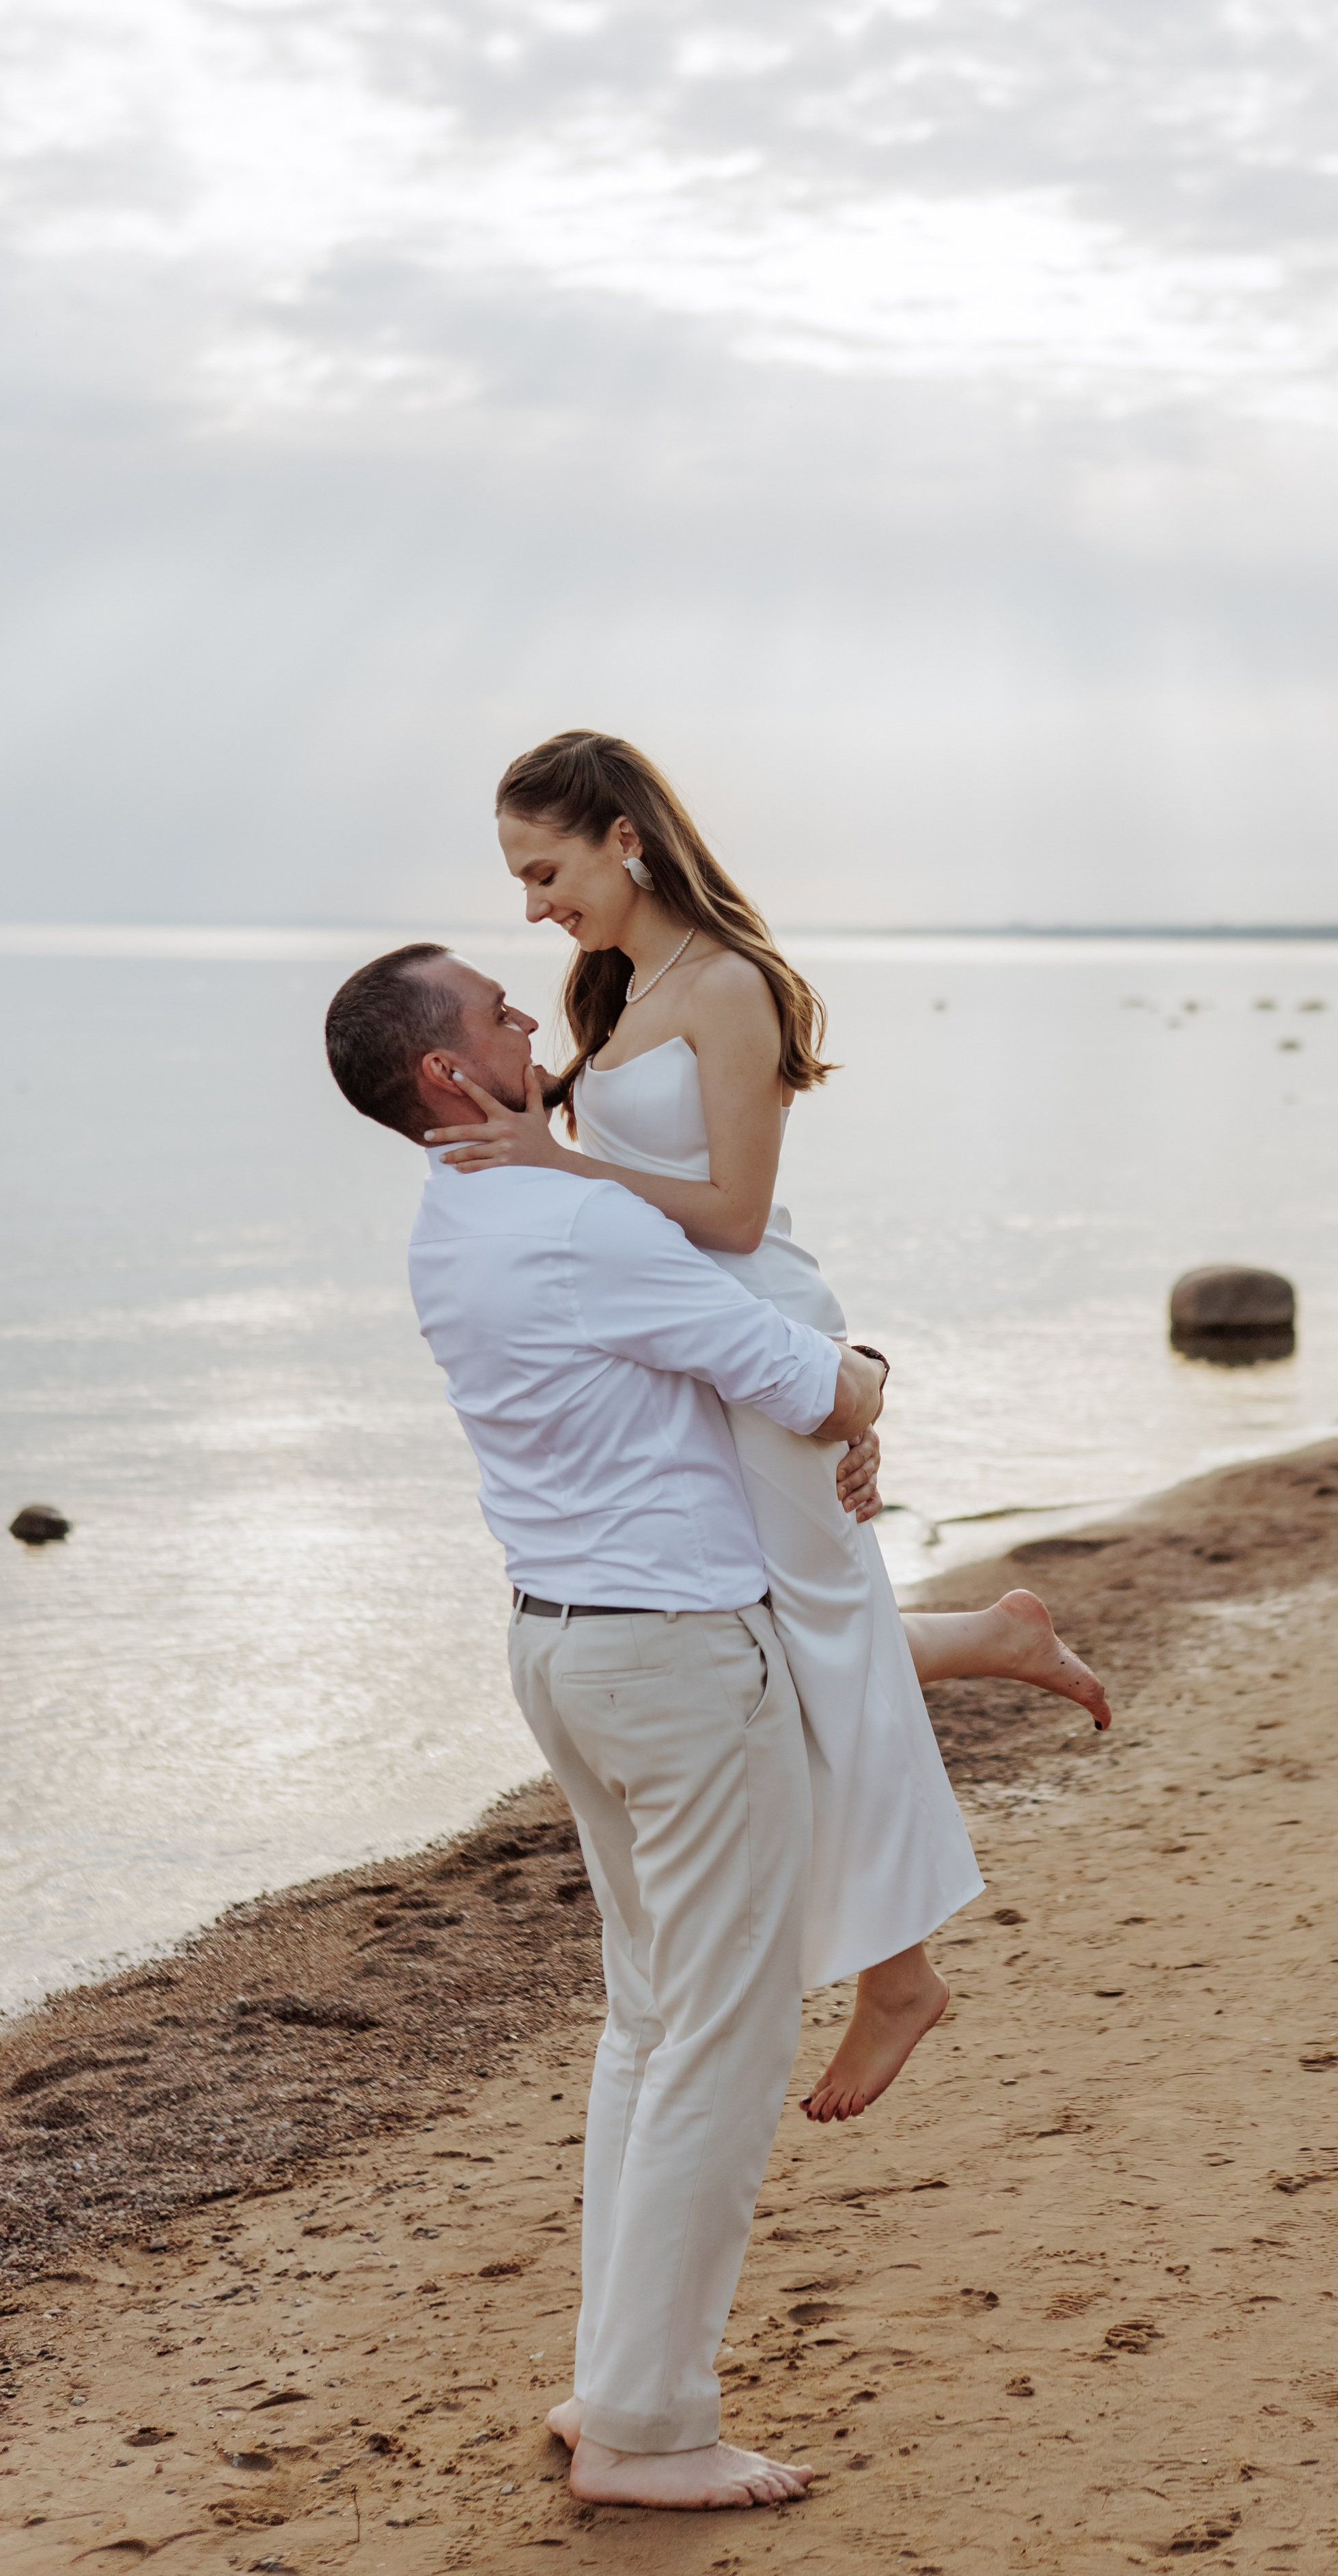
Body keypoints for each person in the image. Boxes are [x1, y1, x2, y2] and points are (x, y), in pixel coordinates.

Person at [424, 728, 1109, 2123]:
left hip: (758, 1331)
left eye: (541, 866)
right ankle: (987, 1641)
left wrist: (565, 1161)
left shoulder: (729, 985)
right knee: (790, 1627)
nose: (532, 902)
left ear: (622, 833)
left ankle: (900, 1973)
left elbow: (735, 1216)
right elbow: (583, 1196)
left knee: (817, 1632)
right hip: (702, 1351)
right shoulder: (608, 989)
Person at [324, 939, 883, 2509]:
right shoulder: (574, 1219)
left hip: (561, 1652)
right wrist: (874, 1368)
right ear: (449, 1074)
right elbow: (811, 1388)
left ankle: (616, 2386)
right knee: (717, 2033)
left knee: (649, 2029)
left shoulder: (452, 1222)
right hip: (677, 1665)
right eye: (496, 1013)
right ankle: (648, 2426)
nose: (529, 1019)